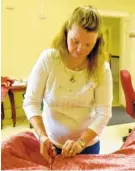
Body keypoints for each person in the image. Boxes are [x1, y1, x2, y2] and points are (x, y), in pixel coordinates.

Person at [23, 5, 113, 164]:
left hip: (88, 146)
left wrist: (80, 142)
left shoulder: (102, 68)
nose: (80, 49)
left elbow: (103, 113)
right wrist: (42, 135)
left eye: (88, 45)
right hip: (51, 143)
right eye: (75, 41)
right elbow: (31, 102)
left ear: (97, 42)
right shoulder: (49, 60)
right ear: (66, 32)